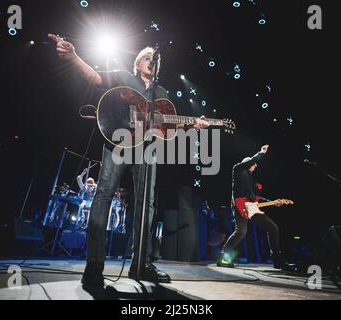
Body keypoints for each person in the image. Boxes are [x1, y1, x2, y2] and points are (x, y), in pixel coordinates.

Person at [48, 34, 209, 287]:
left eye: (154, 59)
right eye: (146, 57)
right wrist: (74, 57)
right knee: (104, 194)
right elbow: (95, 77)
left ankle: (141, 264)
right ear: (137, 63)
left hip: (147, 149)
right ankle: (94, 265)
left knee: (148, 203)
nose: (150, 61)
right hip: (118, 141)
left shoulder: (162, 93)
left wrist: (193, 126)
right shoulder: (125, 77)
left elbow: (167, 129)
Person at [218, 145, 296, 271]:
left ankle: (278, 261)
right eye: (253, 164)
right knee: (241, 231)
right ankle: (223, 258)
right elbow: (251, 162)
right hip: (239, 206)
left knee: (273, 228)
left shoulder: (250, 179)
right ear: (248, 163)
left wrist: (273, 202)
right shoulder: (237, 169)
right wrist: (261, 153)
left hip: (252, 207)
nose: (255, 166)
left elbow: (255, 198)